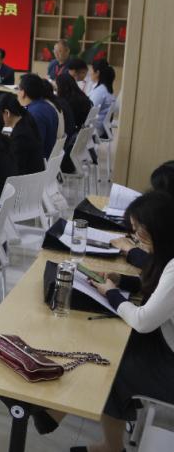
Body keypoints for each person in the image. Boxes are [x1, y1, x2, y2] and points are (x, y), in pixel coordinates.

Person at [36, 191, 174, 452]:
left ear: (160, 231)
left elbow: (143, 321)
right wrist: (122, 281)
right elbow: (162, 290)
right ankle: (58, 412)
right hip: (165, 340)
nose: (136, 240)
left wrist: (111, 292)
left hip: (169, 359)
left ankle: (110, 446)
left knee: (112, 370)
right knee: (110, 345)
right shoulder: (167, 257)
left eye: (140, 233)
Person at [0, 94, 46, 175]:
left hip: (26, 179)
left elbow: (15, 169)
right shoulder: (27, 118)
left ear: (7, 113)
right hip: (34, 173)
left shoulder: (20, 136)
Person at [55, 72, 93, 172]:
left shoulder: (67, 103)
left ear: (61, 87)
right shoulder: (82, 96)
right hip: (78, 143)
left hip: (69, 147)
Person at [18, 73, 58, 159]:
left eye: (18, 89)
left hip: (37, 162)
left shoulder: (33, 114)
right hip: (47, 156)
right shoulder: (49, 107)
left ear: (23, 93)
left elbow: (31, 147)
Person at [88, 58, 117, 138]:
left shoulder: (100, 91)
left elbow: (89, 110)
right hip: (100, 128)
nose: (90, 73)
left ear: (97, 73)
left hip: (95, 129)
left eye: (91, 70)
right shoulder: (105, 89)